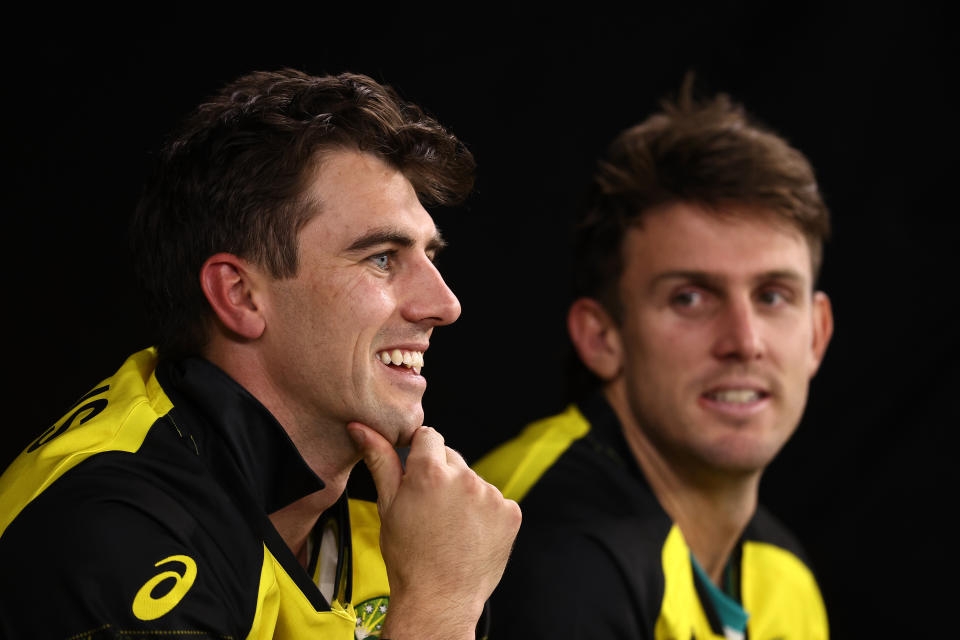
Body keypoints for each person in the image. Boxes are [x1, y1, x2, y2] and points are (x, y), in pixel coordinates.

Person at [0, 69, 520, 639]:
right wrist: (438, 611)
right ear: (240, 295)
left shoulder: (416, 522)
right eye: (381, 257)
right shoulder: (107, 526)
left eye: (430, 256)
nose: (445, 305)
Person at [474, 82, 833, 639]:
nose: (744, 340)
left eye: (772, 296)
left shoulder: (784, 575)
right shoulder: (551, 542)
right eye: (690, 298)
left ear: (817, 333)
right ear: (601, 337)